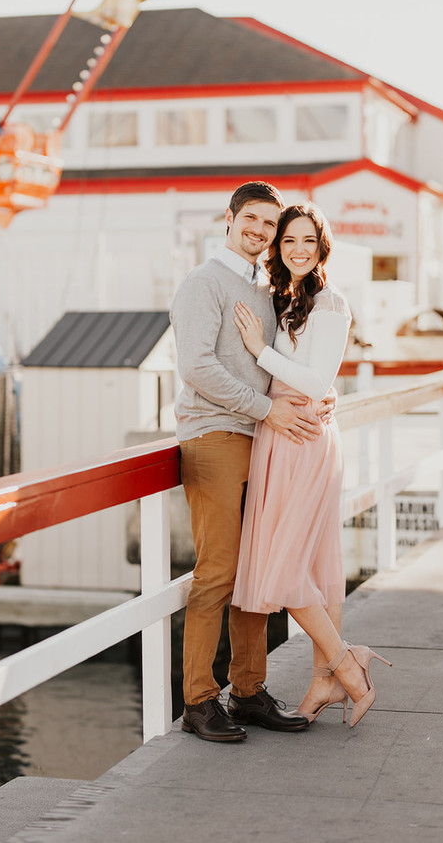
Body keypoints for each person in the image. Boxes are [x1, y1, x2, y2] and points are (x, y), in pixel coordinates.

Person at [170, 181, 337, 743]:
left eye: (270, 224)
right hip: (215, 435)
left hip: (264, 439)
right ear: (230, 217)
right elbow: (197, 367)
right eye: (253, 219)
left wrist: (321, 397)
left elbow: (288, 363)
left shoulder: (267, 287)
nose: (261, 231)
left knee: (256, 568)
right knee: (219, 571)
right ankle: (198, 701)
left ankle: (247, 691)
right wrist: (267, 409)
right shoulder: (203, 282)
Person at [231, 203, 392, 729]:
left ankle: (346, 666)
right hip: (281, 433)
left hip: (303, 437)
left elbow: (317, 379)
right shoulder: (290, 297)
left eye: (307, 240)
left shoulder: (330, 301)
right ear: (278, 248)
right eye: (288, 241)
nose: (297, 249)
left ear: (322, 246)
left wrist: (258, 348)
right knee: (314, 563)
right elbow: (312, 374)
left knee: (284, 569)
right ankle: (326, 677)